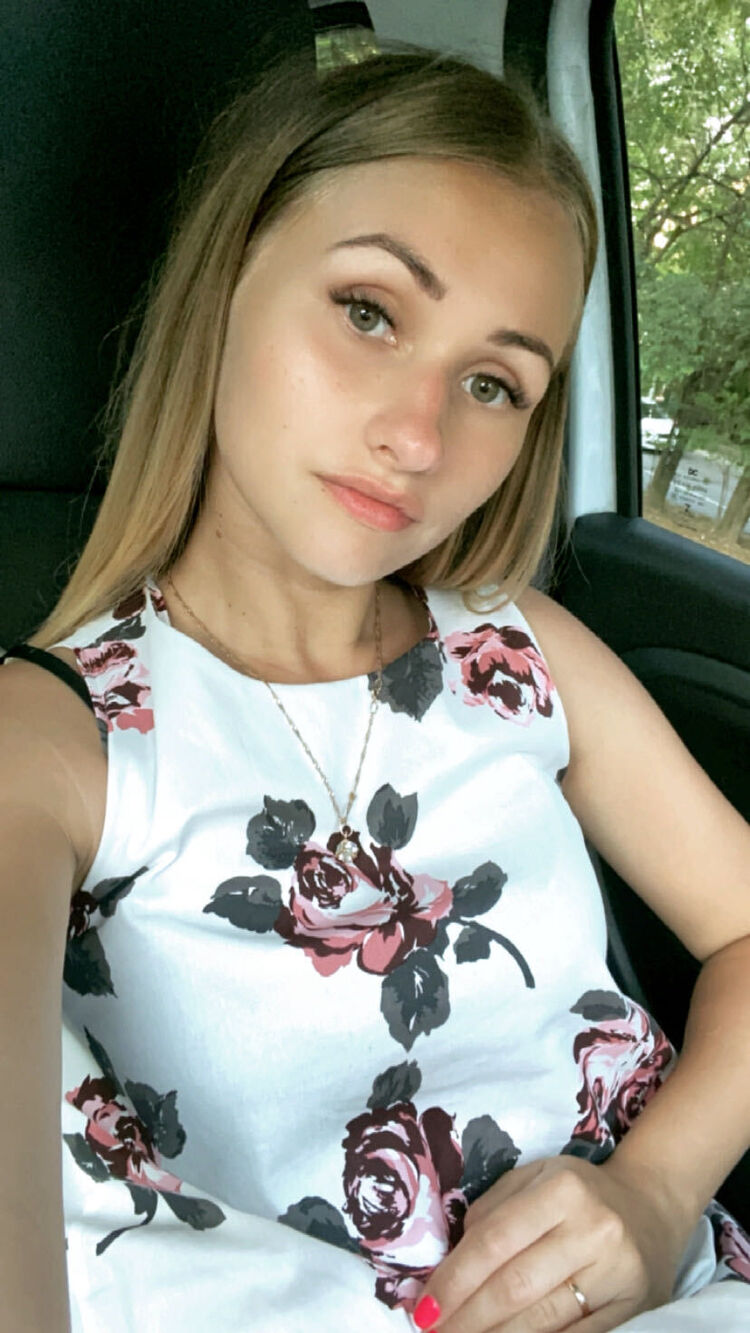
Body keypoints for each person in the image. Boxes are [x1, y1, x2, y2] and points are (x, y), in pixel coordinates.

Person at [1, 40, 748, 1333]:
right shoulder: (57, 742)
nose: (417, 435)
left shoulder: (517, 653)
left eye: (492, 382)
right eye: (368, 311)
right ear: (225, 281)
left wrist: (655, 1191)